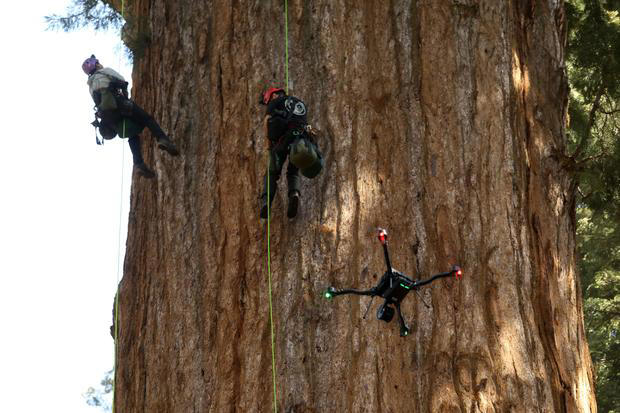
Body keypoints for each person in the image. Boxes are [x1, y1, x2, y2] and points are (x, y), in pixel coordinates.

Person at [82, 55, 179, 178]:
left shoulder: (90, 86)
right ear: (95, 65)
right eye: (98, 62)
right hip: (121, 105)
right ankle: (162, 139)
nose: (99, 64)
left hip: (110, 117)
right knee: (147, 119)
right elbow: (122, 80)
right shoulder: (104, 71)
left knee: (132, 133)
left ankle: (139, 164)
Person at [259, 87, 316, 219]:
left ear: (273, 95)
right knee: (293, 171)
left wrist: (268, 143)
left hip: (284, 140)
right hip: (301, 141)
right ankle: (294, 194)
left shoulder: (275, 102)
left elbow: (267, 120)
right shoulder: (300, 103)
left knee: (272, 172)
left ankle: (266, 200)